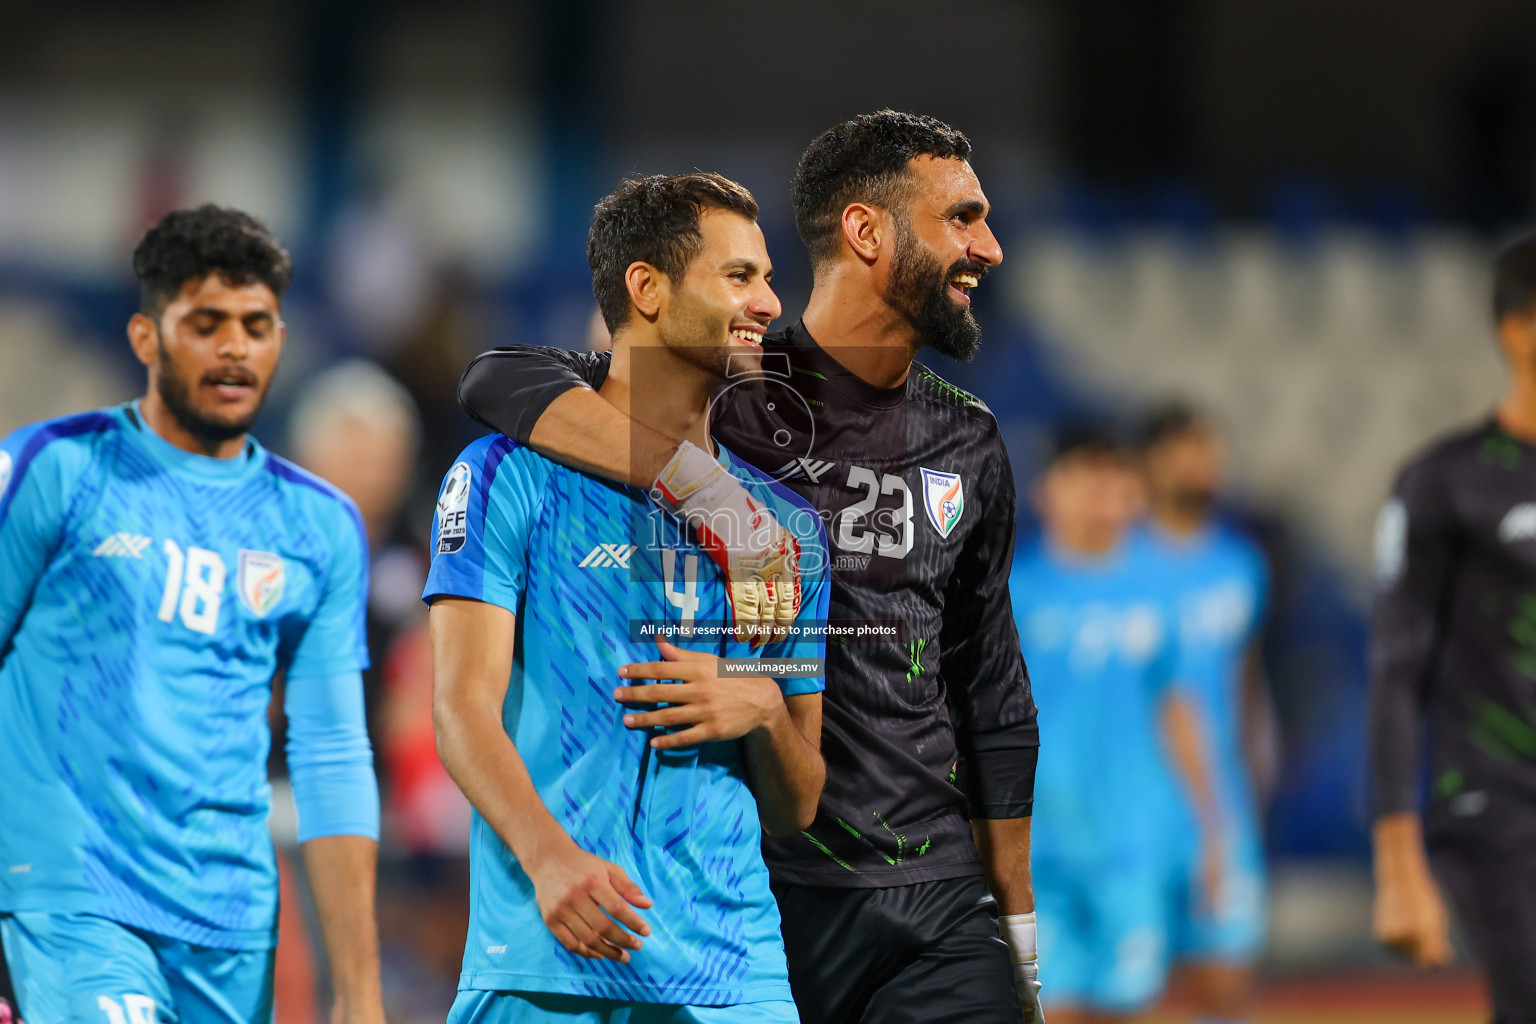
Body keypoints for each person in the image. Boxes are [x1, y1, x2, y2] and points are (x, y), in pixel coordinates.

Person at [457, 110, 1041, 1024]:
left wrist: (1019, 931)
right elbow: (496, 377)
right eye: (962, 218)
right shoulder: (717, 388)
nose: (991, 248)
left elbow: (990, 691)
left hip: (908, 889)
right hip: (741, 900)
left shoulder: (965, 442)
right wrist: (705, 488)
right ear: (866, 230)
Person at [425, 172, 831, 1024]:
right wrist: (547, 859)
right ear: (646, 288)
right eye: (739, 276)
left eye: (766, 275)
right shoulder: (506, 476)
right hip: (548, 951)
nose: (769, 301)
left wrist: (759, 709)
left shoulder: (783, 531)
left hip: (733, 972)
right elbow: (461, 707)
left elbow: (796, 806)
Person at [0, 206, 383, 1024]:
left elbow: (331, 756)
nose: (235, 348)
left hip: (231, 921)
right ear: (147, 337)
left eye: (256, 325)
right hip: (74, 897)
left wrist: (357, 993)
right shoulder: (53, 469)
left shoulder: (318, 525)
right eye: (206, 324)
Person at [1370, 234, 1536, 1022]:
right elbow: (1398, 670)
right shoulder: (1445, 483)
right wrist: (1398, 863)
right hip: (1496, 801)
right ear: (1519, 332)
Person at [1011, 427, 1221, 1024]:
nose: (1103, 496)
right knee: (1050, 1014)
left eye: (1114, 480)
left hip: (1132, 848)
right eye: (1086, 478)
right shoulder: (1013, 592)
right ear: (1049, 490)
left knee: (1127, 1008)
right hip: (1038, 854)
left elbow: (1180, 712)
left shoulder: (1157, 595)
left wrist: (1211, 828)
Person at [1136, 405, 1272, 1024]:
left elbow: (1245, 682)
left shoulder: (1242, 566)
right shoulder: (1116, 564)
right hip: (1130, 803)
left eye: (1208, 450)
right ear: (1150, 463)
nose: (1203, 465)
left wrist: (1250, 780)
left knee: (1225, 982)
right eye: (1186, 449)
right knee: (1124, 988)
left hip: (1220, 800)